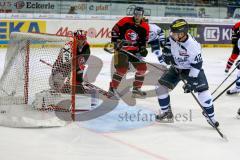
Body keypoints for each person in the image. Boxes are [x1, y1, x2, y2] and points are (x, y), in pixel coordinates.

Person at [155, 19, 219, 128]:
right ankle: (166, 112)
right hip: (176, 68)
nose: (171, 35)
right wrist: (166, 54)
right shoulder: (173, 38)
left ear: (182, 34)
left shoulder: (193, 46)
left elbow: (197, 65)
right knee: (160, 87)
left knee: (204, 93)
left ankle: (211, 117)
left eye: (174, 33)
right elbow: (168, 45)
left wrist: (191, 82)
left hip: (191, 69)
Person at [108, 6, 149, 98]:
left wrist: (142, 48)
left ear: (142, 15)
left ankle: (136, 89)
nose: (137, 16)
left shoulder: (145, 26)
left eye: (139, 15)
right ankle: (112, 89)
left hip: (134, 52)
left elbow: (143, 40)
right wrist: (115, 42)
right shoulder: (125, 21)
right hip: (122, 49)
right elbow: (115, 30)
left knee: (142, 68)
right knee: (122, 69)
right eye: (135, 14)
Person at [51, 29, 90, 94]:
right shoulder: (67, 46)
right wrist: (69, 79)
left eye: (83, 37)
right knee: (59, 83)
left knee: (79, 72)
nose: (81, 40)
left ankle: (77, 84)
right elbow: (65, 63)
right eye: (79, 38)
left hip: (74, 65)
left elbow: (83, 60)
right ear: (75, 38)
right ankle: (57, 88)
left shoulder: (86, 46)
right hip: (60, 66)